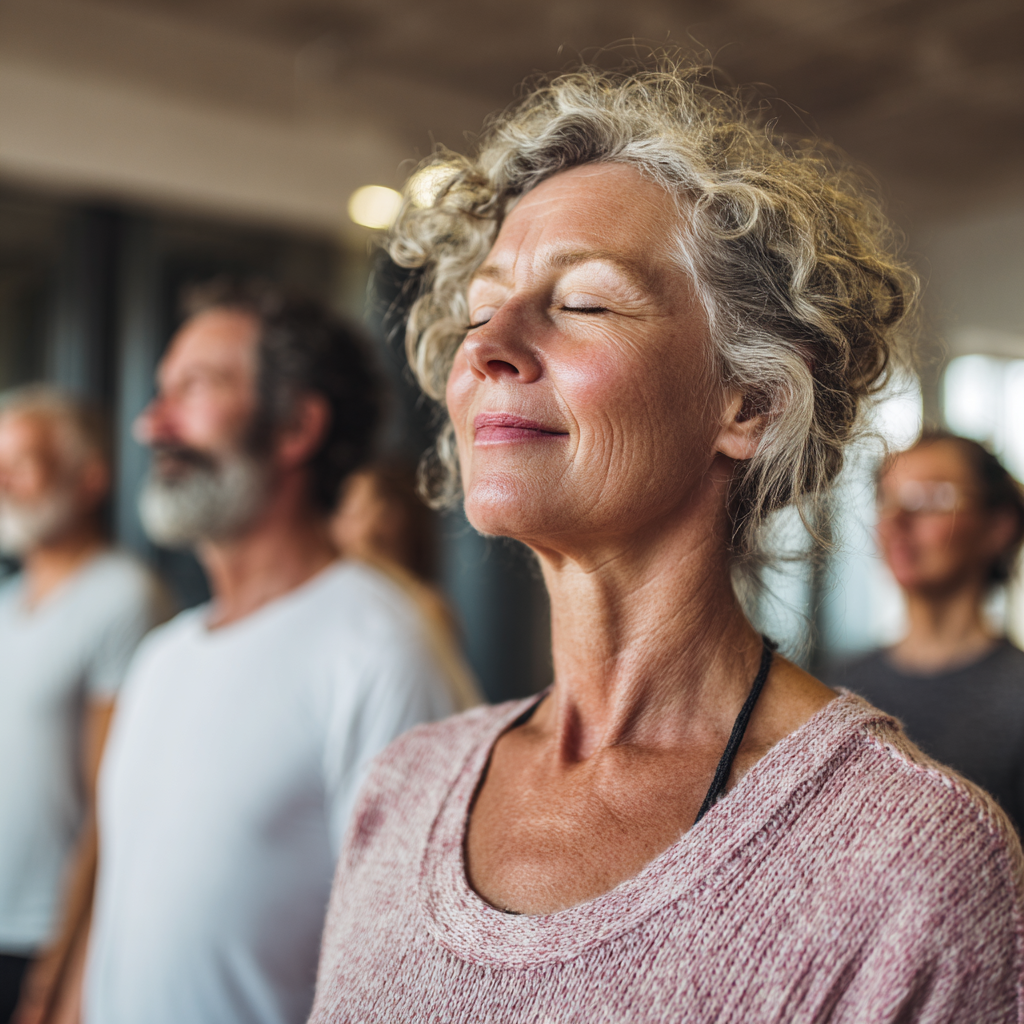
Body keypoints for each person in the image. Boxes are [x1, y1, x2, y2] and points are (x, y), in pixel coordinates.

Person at [309, 60, 1023, 1023]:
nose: (488, 345)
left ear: (752, 402)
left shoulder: (908, 862)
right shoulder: (406, 787)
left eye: (585, 303)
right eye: (481, 310)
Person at [82, 282, 459, 1024]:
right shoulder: (164, 656)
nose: (151, 423)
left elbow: (417, 969)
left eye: (196, 388)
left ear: (295, 428)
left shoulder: (383, 649)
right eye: (162, 392)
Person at [0, 386, 169, 1024]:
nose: (2, 479)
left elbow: (117, 802)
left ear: (88, 479)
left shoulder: (123, 597)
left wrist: (65, 965)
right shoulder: (7, 602)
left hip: (44, 935)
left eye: (23, 461)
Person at [832, 432, 1024, 830]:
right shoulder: (836, 687)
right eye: (888, 499)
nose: (897, 520)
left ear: (999, 528)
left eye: (930, 498)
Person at [332, 459, 481, 711]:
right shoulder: (352, 592)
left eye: (352, 513)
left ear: (390, 517)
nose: (336, 526)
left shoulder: (424, 607)